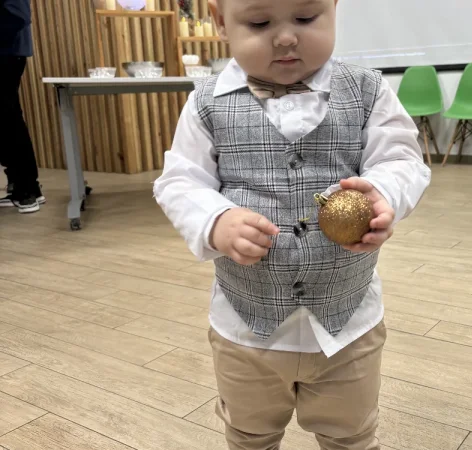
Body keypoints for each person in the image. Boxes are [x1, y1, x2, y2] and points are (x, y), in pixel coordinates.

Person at [154, 0, 431, 448]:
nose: (286, 37)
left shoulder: (368, 90)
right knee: (249, 435)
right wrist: (215, 219)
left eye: (305, 18)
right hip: (245, 331)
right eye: (259, 22)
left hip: (349, 326)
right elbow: (180, 180)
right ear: (221, 22)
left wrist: (384, 191)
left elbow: (402, 158)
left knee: (353, 435)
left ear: (334, 8)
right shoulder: (206, 102)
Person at [0, 0, 44, 213]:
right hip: (7, 52)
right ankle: (21, 185)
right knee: (6, 119)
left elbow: (19, 16)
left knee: (9, 120)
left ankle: (27, 189)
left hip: (8, 54)